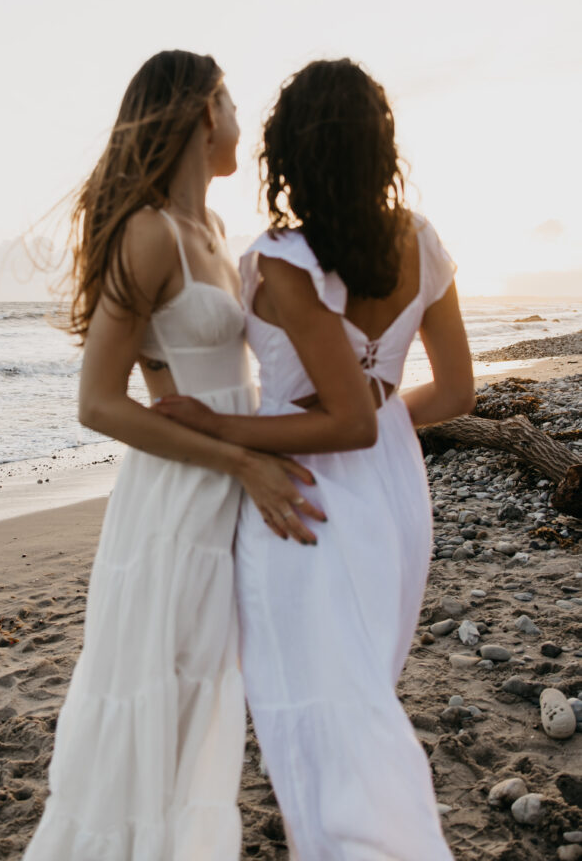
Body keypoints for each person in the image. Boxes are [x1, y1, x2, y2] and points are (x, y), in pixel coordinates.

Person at [154, 58, 474, 859]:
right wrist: (384, 420)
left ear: (288, 150)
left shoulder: (283, 259)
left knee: (316, 704)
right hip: (396, 491)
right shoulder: (423, 242)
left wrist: (220, 430)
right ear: (379, 144)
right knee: (362, 690)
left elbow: (340, 422)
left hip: (301, 491)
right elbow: (454, 393)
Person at [21, 50, 325, 861]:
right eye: (229, 102)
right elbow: (98, 403)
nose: (238, 120)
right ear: (200, 112)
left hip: (231, 492)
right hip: (176, 503)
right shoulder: (149, 234)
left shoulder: (216, 233)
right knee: (157, 701)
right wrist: (242, 463)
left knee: (201, 702)